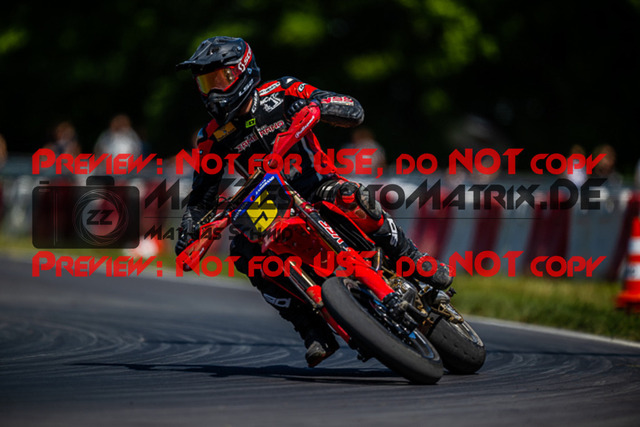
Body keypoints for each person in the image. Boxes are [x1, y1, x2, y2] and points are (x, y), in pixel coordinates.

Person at [174, 36, 453, 367]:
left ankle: (411, 257)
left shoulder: (283, 90)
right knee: (243, 251)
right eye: (206, 83)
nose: (214, 92)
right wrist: (190, 226)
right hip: (270, 200)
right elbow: (202, 197)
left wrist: (322, 107)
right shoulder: (211, 137)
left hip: (317, 182)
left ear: (244, 72)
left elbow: (351, 108)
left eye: (220, 79)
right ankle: (309, 326)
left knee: (353, 198)